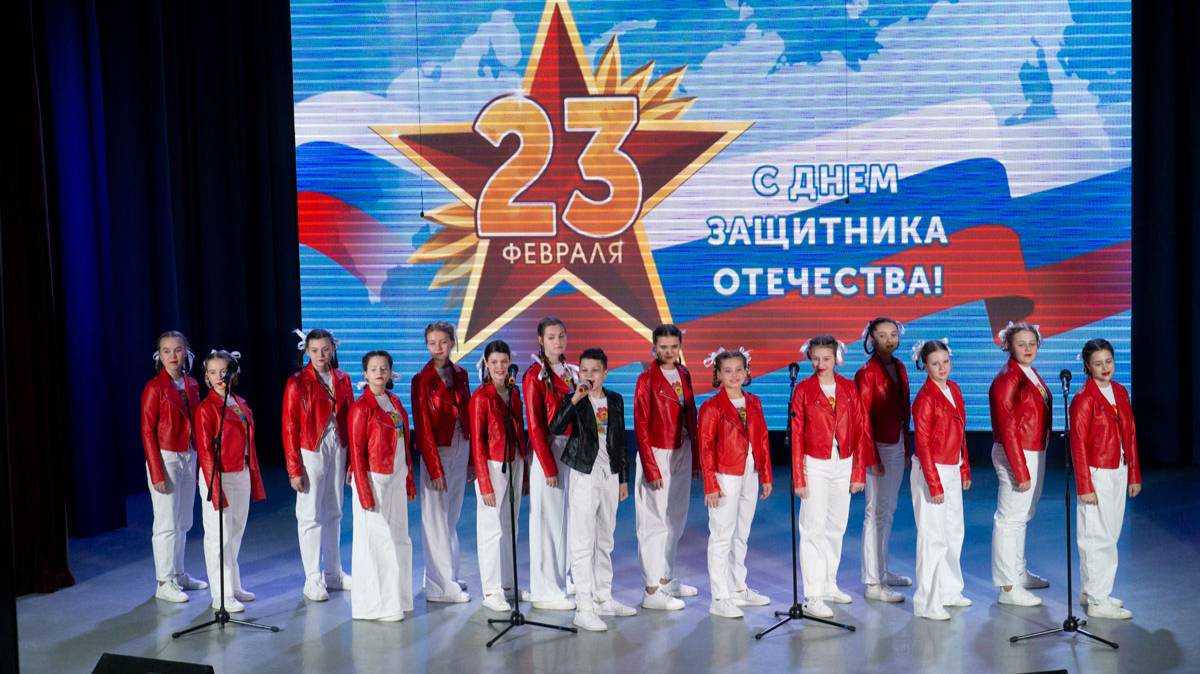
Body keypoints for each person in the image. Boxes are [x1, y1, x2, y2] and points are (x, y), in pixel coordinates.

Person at [550, 348, 636, 631]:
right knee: (583, 541)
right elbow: (556, 426)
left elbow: (620, 440)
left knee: (605, 539)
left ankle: (603, 597)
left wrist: (623, 478)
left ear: (605, 373)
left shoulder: (615, 400)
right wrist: (576, 398)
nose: (589, 376)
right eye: (584, 371)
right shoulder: (574, 399)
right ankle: (584, 607)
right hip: (584, 474)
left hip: (610, 474)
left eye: (594, 371)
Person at [790, 335, 873, 619]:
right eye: (815, 358)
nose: (820, 364)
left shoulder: (849, 388)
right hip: (815, 463)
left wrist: (858, 471)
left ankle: (828, 583)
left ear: (836, 358)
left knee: (836, 526)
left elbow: (860, 429)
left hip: (844, 462)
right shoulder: (803, 390)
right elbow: (797, 435)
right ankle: (813, 595)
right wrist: (799, 477)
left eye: (826, 358)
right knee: (812, 528)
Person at [698, 347, 773, 619]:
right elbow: (706, 447)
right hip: (725, 475)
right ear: (718, 374)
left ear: (747, 372)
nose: (734, 375)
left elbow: (762, 438)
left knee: (741, 533)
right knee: (722, 535)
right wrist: (710, 484)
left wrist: (766, 475)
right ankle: (720, 597)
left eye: (738, 370)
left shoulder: (753, 402)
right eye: (727, 371)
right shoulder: (711, 407)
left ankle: (738, 588)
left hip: (750, 473)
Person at [1070, 339, 1141, 620]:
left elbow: (1130, 435)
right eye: (1098, 363)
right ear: (1088, 366)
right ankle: (1098, 601)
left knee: (1110, 533)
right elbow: (1077, 444)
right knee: (1096, 536)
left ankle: (1093, 591)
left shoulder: (1120, 392)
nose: (1105, 368)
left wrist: (1133, 474)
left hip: (1118, 469)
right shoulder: (1084, 398)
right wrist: (1085, 485)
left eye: (1108, 361)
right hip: (1096, 471)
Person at [282, 328, 354, 601]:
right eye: (314, 350)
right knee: (310, 514)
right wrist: (294, 468)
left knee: (334, 511)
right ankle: (312, 578)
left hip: (338, 445)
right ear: (306, 351)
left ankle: (333, 573)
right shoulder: (297, 382)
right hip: (311, 448)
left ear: (333, 348)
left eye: (325, 349)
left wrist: (352, 461)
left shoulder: (343, 379)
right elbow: (289, 426)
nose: (320, 355)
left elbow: (350, 419)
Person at [634, 324, 700, 611]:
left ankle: (664, 578)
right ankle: (651, 590)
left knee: (676, 518)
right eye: (663, 347)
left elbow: (691, 414)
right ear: (654, 347)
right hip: (657, 452)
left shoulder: (684, 373)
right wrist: (651, 467)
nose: (669, 351)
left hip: (681, 450)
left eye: (674, 346)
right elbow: (641, 424)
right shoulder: (646, 379)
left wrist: (695, 456)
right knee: (654, 521)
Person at [195, 350, 266, 612]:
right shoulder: (206, 408)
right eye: (212, 372)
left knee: (235, 531)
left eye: (223, 371)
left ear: (233, 373)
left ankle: (233, 585)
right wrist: (215, 489)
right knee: (218, 536)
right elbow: (205, 453)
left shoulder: (240, 403)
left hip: (241, 471)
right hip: (219, 475)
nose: (218, 377)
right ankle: (221, 595)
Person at [349, 350, 417, 621]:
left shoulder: (394, 401)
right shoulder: (360, 408)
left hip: (396, 476)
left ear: (390, 373)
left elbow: (404, 444)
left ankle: (400, 597)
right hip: (373, 479)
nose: (379, 372)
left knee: (400, 539)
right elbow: (356, 453)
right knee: (377, 542)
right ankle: (378, 606)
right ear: (365, 374)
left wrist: (408, 478)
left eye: (384, 368)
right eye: (373, 369)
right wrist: (364, 492)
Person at [989, 321, 1052, 607]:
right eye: (1021, 344)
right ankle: (1008, 586)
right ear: (1008, 346)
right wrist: (1019, 468)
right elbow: (1007, 427)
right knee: (1009, 519)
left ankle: (1018, 572)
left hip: (1032, 449)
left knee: (1022, 516)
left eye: (1032, 343)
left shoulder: (1028, 372)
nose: (1028, 348)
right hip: (1017, 452)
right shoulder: (1008, 378)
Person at [141, 330, 207, 602]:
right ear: (159, 355)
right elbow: (147, 431)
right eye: (166, 351)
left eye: (177, 350)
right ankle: (164, 581)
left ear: (186, 352)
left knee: (183, 521)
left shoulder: (191, 384)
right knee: (166, 522)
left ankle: (178, 574)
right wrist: (156, 471)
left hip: (188, 456)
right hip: (166, 457)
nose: (172, 356)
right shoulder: (154, 388)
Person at [909, 339, 972, 620]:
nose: (942, 367)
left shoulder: (954, 389)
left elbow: (961, 432)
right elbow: (922, 444)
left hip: (951, 466)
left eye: (945, 361)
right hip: (931, 469)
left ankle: (949, 590)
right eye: (935, 363)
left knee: (953, 532)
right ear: (924, 365)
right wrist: (934, 483)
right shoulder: (925, 398)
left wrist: (964, 467)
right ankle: (927, 601)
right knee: (932, 536)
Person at [411, 321, 472, 603]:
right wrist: (434, 468)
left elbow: (467, 414)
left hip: (461, 446)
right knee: (435, 518)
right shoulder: (421, 380)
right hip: (438, 451)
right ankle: (439, 585)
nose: (438, 347)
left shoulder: (461, 374)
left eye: (443, 342)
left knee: (450, 517)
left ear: (452, 342)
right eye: (432, 343)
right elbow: (423, 428)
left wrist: (470, 460)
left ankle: (447, 575)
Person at [521, 317, 577, 610]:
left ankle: (561, 577)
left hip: (570, 451)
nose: (558, 341)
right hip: (549, 451)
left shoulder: (570, 372)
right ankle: (545, 590)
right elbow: (535, 425)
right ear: (541, 341)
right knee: (548, 521)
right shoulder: (534, 376)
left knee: (565, 519)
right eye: (552, 337)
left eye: (561, 335)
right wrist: (548, 467)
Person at [470, 340, 529, 612]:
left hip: (515, 461)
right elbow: (478, 442)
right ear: (486, 364)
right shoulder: (480, 398)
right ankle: (491, 590)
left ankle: (508, 584)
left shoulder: (514, 392)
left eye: (504, 361)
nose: (500, 367)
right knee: (491, 528)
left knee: (509, 525)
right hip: (493, 465)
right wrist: (484, 482)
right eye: (494, 362)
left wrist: (523, 470)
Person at [855, 318, 911, 602]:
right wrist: (871, 456)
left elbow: (904, 409)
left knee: (887, 510)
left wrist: (906, 446)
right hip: (877, 446)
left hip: (896, 443)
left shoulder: (900, 366)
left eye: (893, 334)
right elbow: (862, 418)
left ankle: (882, 569)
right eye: (882, 335)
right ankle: (872, 582)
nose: (889, 339)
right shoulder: (866, 373)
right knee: (874, 511)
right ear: (871, 339)